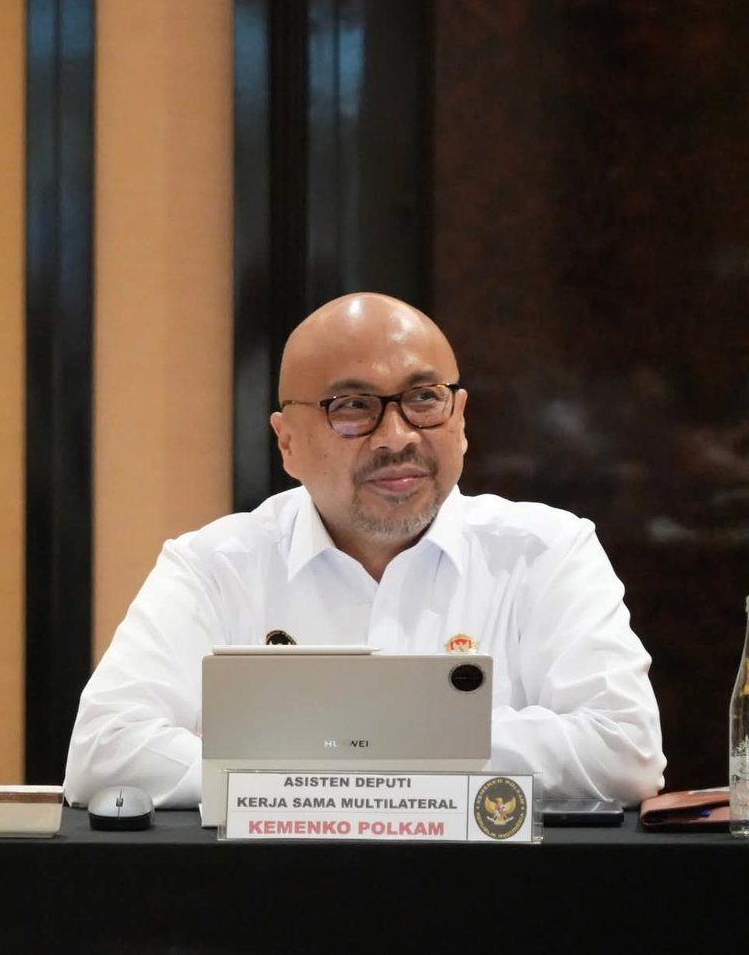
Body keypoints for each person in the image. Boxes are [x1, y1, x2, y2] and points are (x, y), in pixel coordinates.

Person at [63, 292, 665, 809]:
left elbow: (624, 751)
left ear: (460, 418)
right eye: (352, 407)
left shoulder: (546, 552)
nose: (397, 437)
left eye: (423, 398)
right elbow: (105, 754)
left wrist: (312, 753)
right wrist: (417, 755)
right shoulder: (215, 566)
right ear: (287, 442)